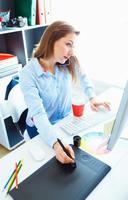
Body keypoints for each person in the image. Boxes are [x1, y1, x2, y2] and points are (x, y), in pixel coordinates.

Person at [19, 21, 110, 164]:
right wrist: (56, 143)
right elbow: (38, 115)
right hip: (40, 129)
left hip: (65, 123)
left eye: (73, 46)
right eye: (68, 44)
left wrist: (92, 97)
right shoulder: (28, 73)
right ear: (52, 39)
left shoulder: (68, 61)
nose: (72, 51)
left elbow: (84, 77)